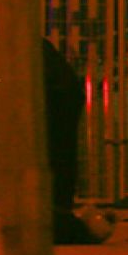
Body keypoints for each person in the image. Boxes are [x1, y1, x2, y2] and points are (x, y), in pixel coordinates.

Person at [43, 38, 85, 216]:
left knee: (59, 153)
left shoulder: (24, 49)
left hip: (60, 99)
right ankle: (60, 203)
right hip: (62, 96)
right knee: (62, 153)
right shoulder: (36, 46)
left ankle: (59, 204)